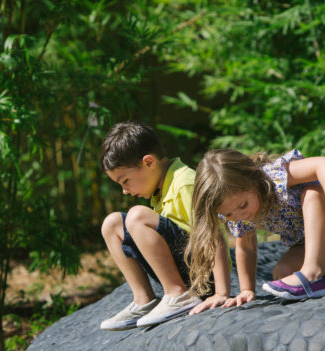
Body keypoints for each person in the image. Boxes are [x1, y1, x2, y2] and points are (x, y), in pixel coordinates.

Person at [186, 148, 325, 311]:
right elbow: (246, 249)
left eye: (242, 205)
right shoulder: (239, 213)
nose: (239, 215)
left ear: (252, 180)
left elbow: (324, 163)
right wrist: (246, 290)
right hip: (322, 245)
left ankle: (312, 273)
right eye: (229, 214)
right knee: (283, 274)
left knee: (312, 192)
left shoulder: (274, 176)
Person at [98, 121, 231, 329]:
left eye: (125, 181)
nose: (124, 191)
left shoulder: (185, 183)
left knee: (136, 216)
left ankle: (178, 294)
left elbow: (214, 237)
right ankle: (144, 300)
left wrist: (222, 293)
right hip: (185, 267)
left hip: (203, 278)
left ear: (149, 162)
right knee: (112, 223)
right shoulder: (160, 189)